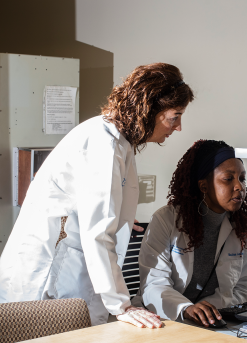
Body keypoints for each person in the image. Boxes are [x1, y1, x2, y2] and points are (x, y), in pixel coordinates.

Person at [0, 63, 194, 328]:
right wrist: (122, 306)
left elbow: (97, 207)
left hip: (71, 257)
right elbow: (97, 232)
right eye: (175, 116)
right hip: (56, 267)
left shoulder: (113, 138)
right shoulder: (105, 144)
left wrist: (121, 218)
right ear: (149, 110)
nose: (178, 127)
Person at [132, 140, 247, 327]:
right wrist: (185, 308)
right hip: (162, 319)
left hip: (211, 321)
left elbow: (242, 285)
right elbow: (153, 284)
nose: (239, 187)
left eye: (242, 178)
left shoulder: (241, 228)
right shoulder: (166, 220)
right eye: (228, 178)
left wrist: (209, 311)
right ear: (203, 186)